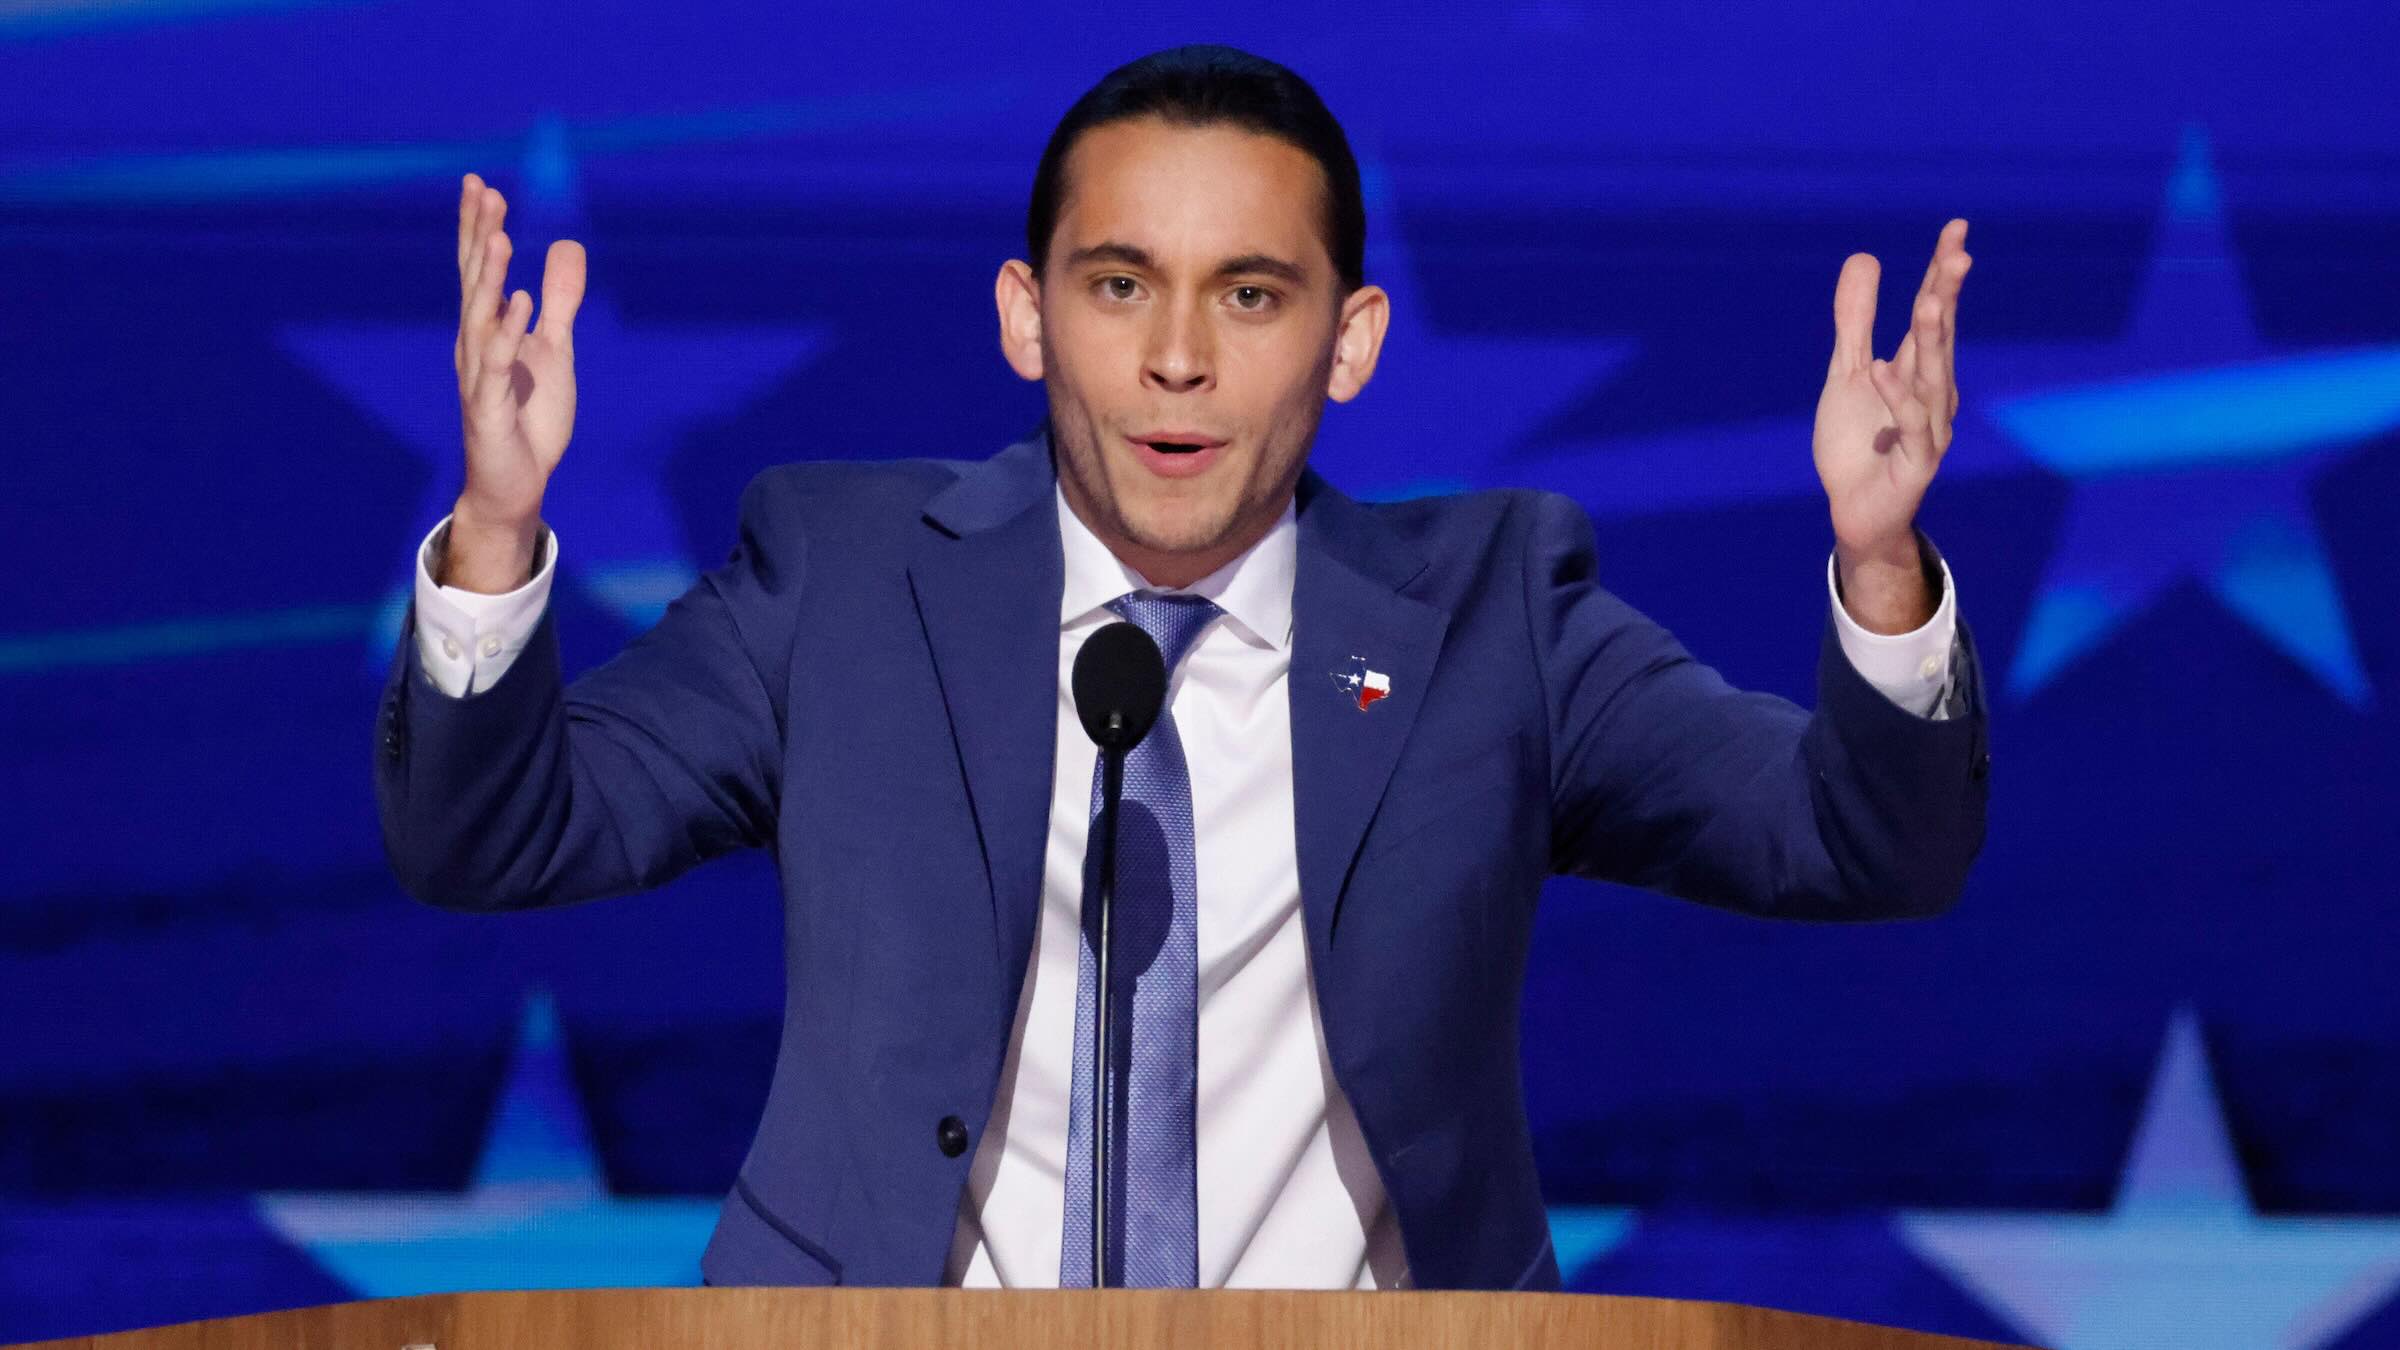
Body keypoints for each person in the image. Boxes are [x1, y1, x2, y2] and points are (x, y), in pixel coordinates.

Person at [376, 44, 1988, 1292]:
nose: (1177, 360)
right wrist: (502, 530)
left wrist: (1879, 564)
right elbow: (493, 837)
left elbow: (1863, 844)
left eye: (1252, 294)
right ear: (1028, 316)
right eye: (1120, 283)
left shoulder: (1492, 615)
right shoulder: (845, 579)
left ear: (1351, 340)